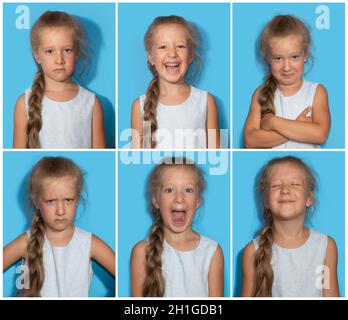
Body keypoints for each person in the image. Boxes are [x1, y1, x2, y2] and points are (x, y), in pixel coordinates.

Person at [3, 157, 115, 297]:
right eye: (51, 201)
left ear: (78, 199)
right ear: (36, 202)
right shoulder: (26, 242)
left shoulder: (89, 243)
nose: (60, 211)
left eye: (68, 200)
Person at [242, 156, 339, 297]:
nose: (285, 190)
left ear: (309, 198)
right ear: (266, 201)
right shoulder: (252, 251)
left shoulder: (326, 246)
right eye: (276, 185)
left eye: (294, 184)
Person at [131, 157, 224, 297]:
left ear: (198, 201)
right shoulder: (142, 252)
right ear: (156, 200)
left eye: (188, 190)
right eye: (169, 190)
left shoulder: (212, 251)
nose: (179, 198)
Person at [13, 11, 106, 148]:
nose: (59, 60)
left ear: (77, 53)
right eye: (50, 51)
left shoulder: (91, 103)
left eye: (67, 50)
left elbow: (100, 156)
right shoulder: (23, 103)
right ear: (37, 55)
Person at [131, 15, 220, 149]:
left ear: (191, 55)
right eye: (163, 47)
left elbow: (217, 155)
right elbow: (136, 160)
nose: (172, 53)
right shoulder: (139, 106)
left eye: (180, 46)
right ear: (151, 57)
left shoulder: (206, 101)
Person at [244, 15, 330, 149]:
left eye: (294, 57)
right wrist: (298, 126)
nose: (286, 67)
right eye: (278, 58)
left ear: (305, 55)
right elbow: (250, 140)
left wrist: (272, 122)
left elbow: (320, 135)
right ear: (268, 58)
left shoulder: (317, 92)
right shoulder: (260, 94)